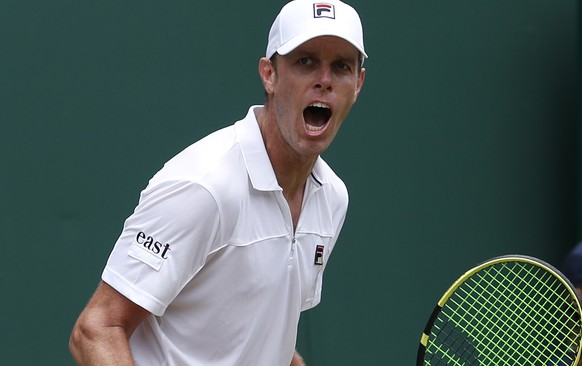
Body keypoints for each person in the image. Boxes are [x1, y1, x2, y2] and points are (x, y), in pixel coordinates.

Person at [69, 0, 367, 365]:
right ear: (269, 75)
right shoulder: (204, 186)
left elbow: (258, 333)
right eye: (305, 61)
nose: (324, 79)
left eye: (341, 66)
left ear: (357, 85)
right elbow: (96, 329)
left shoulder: (331, 199)